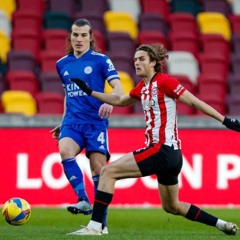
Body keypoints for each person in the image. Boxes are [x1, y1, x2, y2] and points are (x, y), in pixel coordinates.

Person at [67, 43, 240, 236]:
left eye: (141, 59)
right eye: (135, 60)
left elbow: (194, 101)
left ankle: (96, 226)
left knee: (107, 172)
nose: (137, 63)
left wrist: (225, 120)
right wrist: (91, 92)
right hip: (172, 156)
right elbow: (120, 101)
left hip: (162, 149)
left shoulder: (166, 82)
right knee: (172, 207)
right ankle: (221, 224)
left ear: (154, 63)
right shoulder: (143, 87)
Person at [50, 18, 123, 234]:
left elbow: (118, 86)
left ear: (90, 38)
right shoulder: (61, 64)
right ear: (70, 37)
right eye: (75, 35)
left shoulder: (101, 61)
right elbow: (67, 95)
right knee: (64, 150)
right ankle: (82, 199)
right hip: (72, 121)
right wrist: (63, 122)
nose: (79, 39)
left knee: (99, 170)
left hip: (95, 123)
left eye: (83, 35)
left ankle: (101, 224)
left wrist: (111, 101)